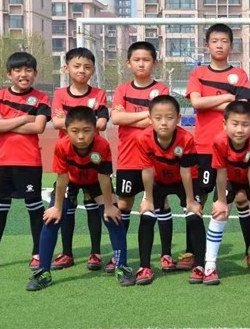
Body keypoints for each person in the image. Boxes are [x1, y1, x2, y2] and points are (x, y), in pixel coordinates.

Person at [25, 106, 134, 290]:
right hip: (71, 182)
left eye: (86, 130)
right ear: (66, 130)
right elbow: (62, 179)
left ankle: (122, 267)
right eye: (75, 131)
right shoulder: (62, 146)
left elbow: (104, 178)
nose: (81, 136)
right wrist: (57, 208)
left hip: (96, 182)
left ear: (95, 129)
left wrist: (109, 206)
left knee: (114, 218)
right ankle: (43, 272)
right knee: (51, 220)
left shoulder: (102, 145)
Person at [185, 23, 250, 272]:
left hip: (235, 147)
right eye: (214, 41)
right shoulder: (198, 74)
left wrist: (213, 102)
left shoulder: (239, 74)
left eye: (224, 41)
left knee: (242, 197)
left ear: (231, 46)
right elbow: (196, 103)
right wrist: (226, 98)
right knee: (199, 198)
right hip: (204, 146)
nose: (219, 45)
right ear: (207, 45)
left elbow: (242, 108)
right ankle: (192, 252)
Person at [0, 52, 50, 274]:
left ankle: (38, 254)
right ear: (9, 74)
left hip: (30, 162)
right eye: (18, 70)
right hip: (3, 162)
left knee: (34, 207)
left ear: (35, 73)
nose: (23, 74)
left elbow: (38, 127)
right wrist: (24, 118)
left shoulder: (41, 98)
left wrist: (4, 121)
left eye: (28, 70)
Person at [110, 42, 170, 273]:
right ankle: (119, 253)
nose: (141, 64)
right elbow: (116, 119)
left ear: (154, 62)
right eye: (137, 60)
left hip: (155, 160)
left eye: (146, 59)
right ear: (129, 63)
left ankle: (166, 254)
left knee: (160, 203)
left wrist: (129, 116)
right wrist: (147, 114)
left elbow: (160, 121)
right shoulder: (122, 90)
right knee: (124, 204)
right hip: (127, 159)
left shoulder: (161, 89)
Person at [204, 101, 250, 286]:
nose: (239, 129)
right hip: (229, 178)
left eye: (245, 124)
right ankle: (209, 266)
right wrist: (221, 201)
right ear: (225, 124)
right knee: (219, 214)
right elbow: (221, 174)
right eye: (234, 124)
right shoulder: (219, 141)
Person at [50, 47, 109, 271]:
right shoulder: (60, 94)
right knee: (67, 208)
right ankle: (67, 253)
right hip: (69, 161)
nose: (81, 70)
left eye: (87, 67)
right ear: (66, 68)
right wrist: (89, 120)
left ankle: (95, 253)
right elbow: (55, 123)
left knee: (94, 208)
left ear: (93, 70)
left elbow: (102, 122)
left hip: (93, 159)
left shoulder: (98, 94)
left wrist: (67, 119)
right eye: (76, 66)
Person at [135, 95, 202, 285]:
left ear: (178, 118)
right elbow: (147, 170)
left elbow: (186, 172)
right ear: (150, 119)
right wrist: (148, 199)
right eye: (158, 118)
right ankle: (145, 266)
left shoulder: (186, 138)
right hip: (158, 181)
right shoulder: (143, 138)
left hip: (183, 180)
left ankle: (200, 266)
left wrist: (190, 201)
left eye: (169, 117)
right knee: (147, 216)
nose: (163, 122)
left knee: (194, 216)